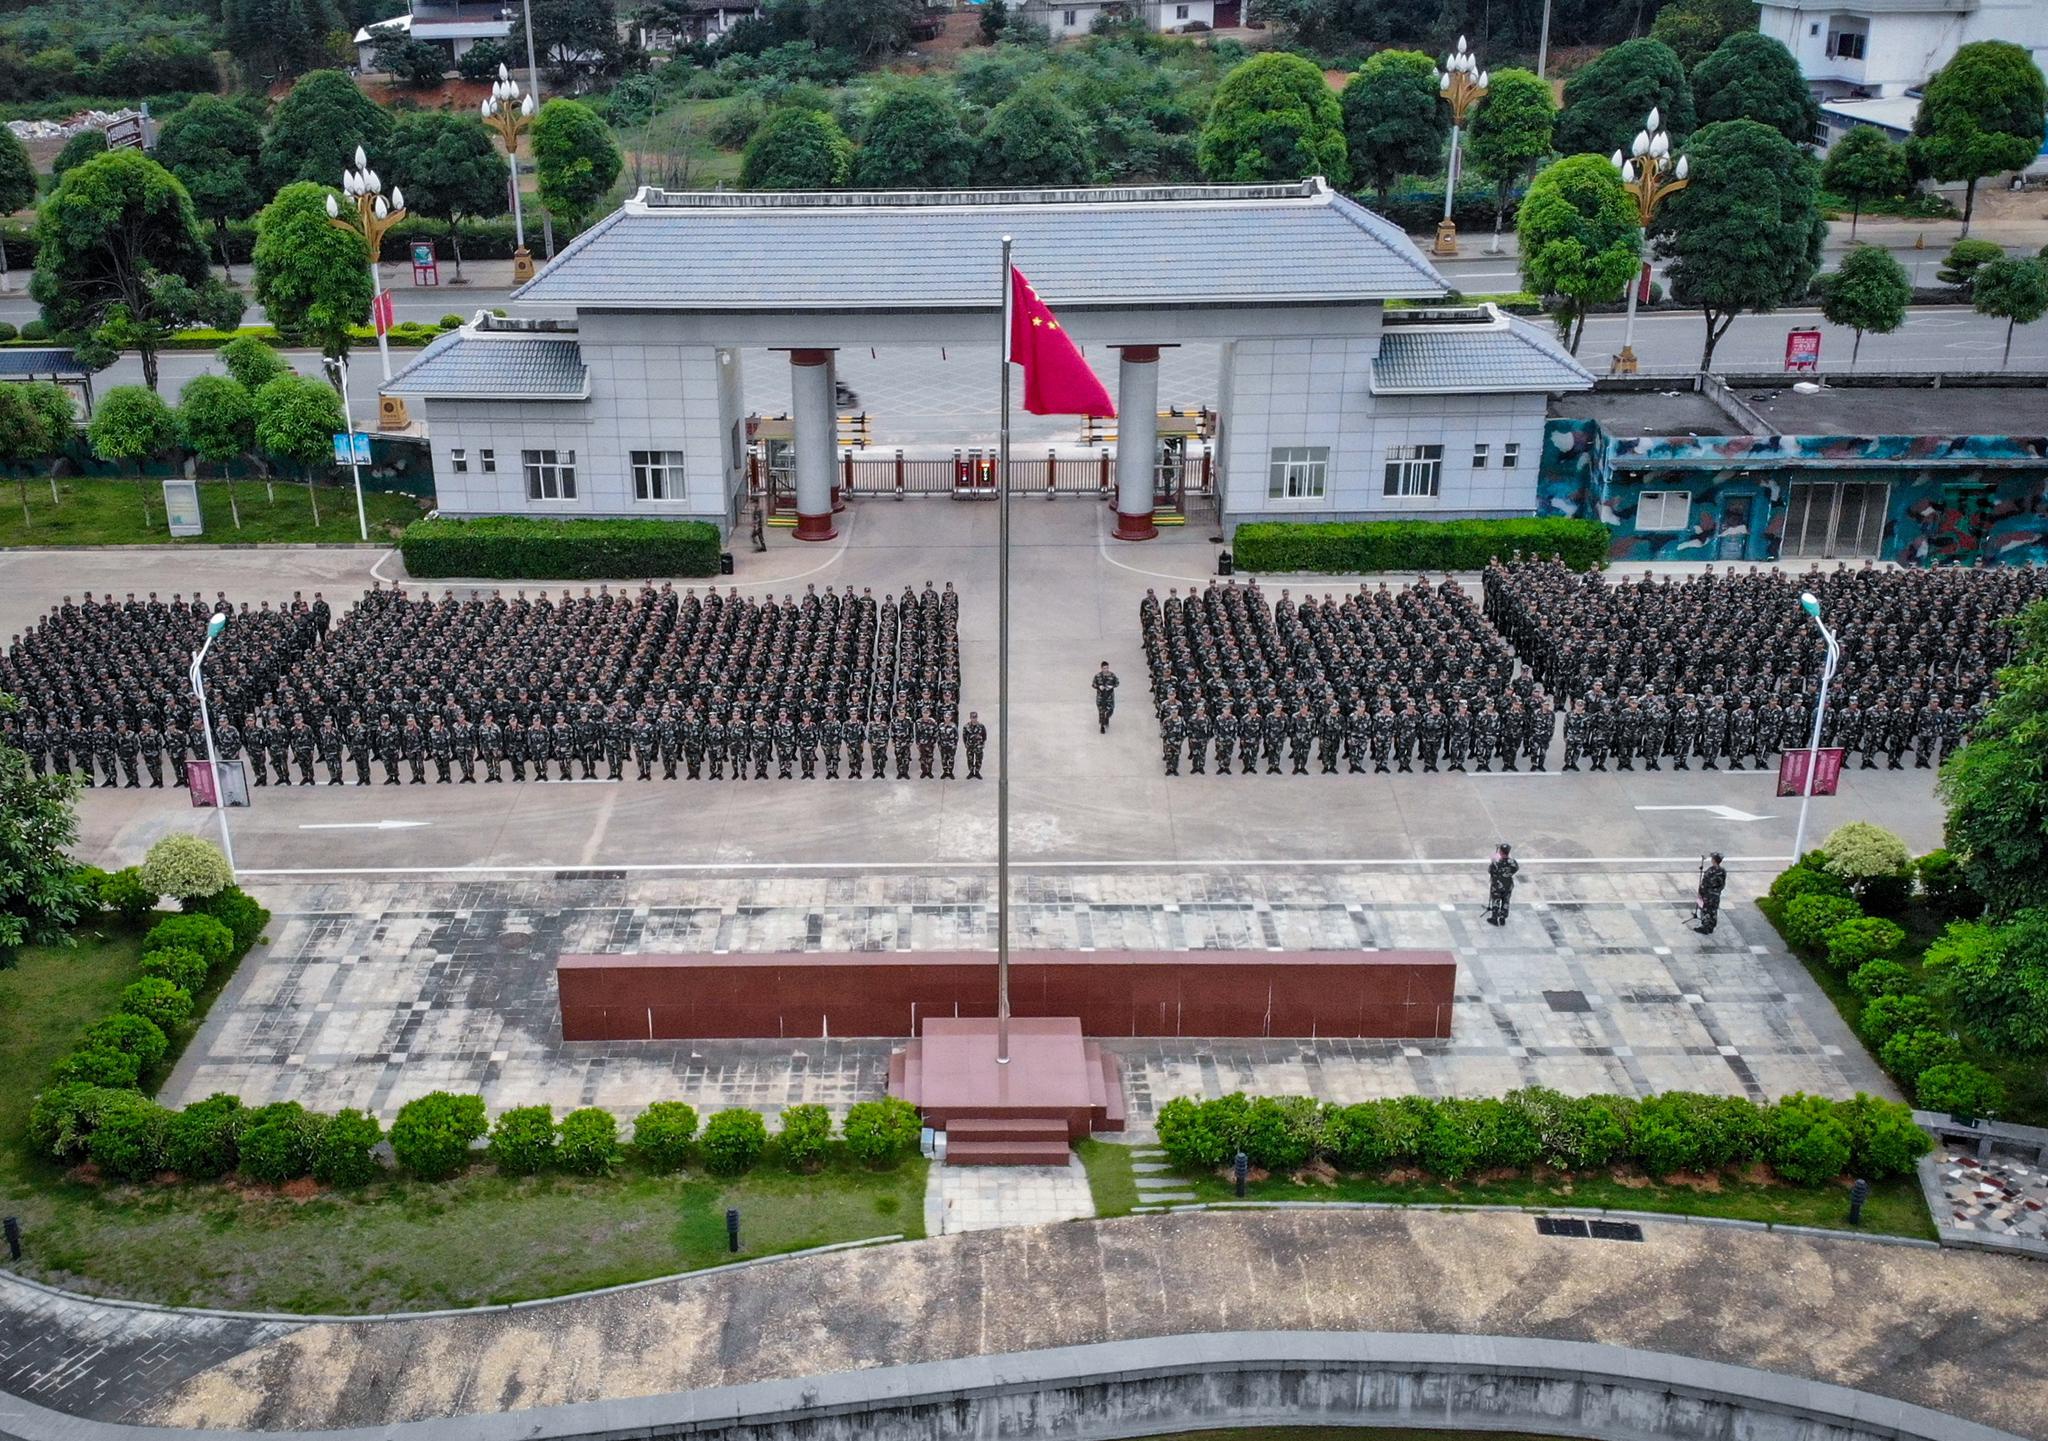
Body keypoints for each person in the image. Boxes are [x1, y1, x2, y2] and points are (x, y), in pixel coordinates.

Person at [1485, 842, 1519, 927]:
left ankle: (1494, 918)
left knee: (1496, 900)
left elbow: (1490, 871)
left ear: (1500, 852)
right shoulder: (1512, 862)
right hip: (1508, 884)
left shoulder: (1496, 862)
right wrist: (1508, 874)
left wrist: (1493, 862)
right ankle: (1502, 918)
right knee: (1506, 901)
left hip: (1497, 885)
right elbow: (1516, 868)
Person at [1695, 852, 1728, 934]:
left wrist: (1700, 893)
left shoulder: (1710, 871)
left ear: (1714, 860)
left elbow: (1704, 883)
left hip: (1708, 895)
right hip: (1716, 895)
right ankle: (1711, 927)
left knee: (1706, 911)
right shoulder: (1723, 871)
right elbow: (1723, 884)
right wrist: (1717, 891)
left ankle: (1705, 928)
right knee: (1713, 911)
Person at [1093, 662, 1119, 733]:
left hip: (1109, 697)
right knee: (1101, 712)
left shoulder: (1112, 675)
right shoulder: (1097, 676)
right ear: (1101, 668)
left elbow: (1117, 683)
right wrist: (1099, 687)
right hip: (1100, 697)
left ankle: (1107, 717)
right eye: (1104, 668)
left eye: (1107, 668)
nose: (1106, 669)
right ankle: (1102, 726)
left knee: (1110, 710)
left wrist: (1112, 686)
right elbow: (1093, 684)